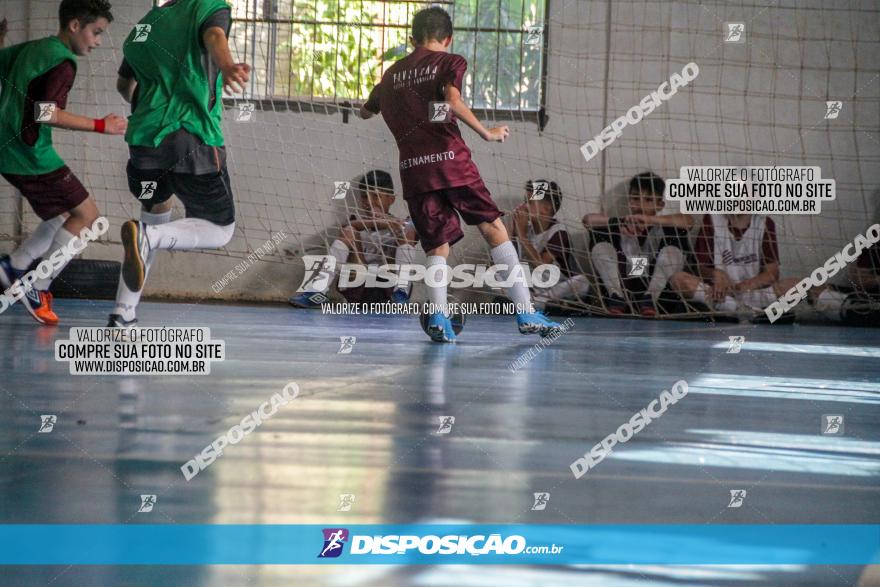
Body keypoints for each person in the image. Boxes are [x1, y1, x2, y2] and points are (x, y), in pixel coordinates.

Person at [358, 6, 562, 342]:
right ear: (448, 38)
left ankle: (438, 318)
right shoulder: (450, 62)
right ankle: (527, 313)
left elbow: (365, 112)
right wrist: (486, 132)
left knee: (436, 245)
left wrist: (385, 102)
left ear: (412, 39)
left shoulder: (391, 74)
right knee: (494, 228)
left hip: (414, 171)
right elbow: (452, 100)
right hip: (452, 162)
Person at [108, 0, 250, 327]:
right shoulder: (207, 7)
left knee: (155, 216)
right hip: (192, 137)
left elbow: (123, 85)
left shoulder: (145, 25)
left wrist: (151, 106)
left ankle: (122, 313)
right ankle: (147, 239)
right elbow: (215, 36)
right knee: (220, 229)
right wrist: (227, 67)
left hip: (144, 142)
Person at [0, 0, 126, 325]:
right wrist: (101, 125)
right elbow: (47, 113)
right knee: (89, 218)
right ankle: (38, 286)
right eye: (95, 32)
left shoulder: (34, 48)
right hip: (30, 154)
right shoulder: (63, 62)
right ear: (74, 26)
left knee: (63, 214)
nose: (97, 41)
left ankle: (13, 266)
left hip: (9, 149)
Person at [289, 170, 419, 307]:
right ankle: (318, 290)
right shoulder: (354, 221)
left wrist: (387, 220)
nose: (369, 201)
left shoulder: (401, 224)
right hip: (358, 285)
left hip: (388, 290)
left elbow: (415, 229)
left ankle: (401, 291)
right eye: (364, 197)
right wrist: (376, 222)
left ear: (391, 199)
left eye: (376, 196)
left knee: (408, 231)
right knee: (349, 230)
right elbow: (350, 226)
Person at [582, 172, 693, 317]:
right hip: (625, 291)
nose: (640, 204)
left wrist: (649, 220)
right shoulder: (621, 224)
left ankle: (650, 299)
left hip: (661, 300)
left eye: (648, 200)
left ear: (660, 205)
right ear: (629, 201)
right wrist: (621, 222)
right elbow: (588, 220)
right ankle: (616, 296)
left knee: (675, 241)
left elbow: (688, 221)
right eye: (635, 198)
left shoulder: (666, 227)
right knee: (600, 237)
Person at [511, 180, 590, 310]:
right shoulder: (526, 229)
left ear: (546, 209)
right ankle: (536, 302)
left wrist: (522, 236)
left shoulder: (559, 232)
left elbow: (542, 269)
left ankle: (536, 302)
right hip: (535, 287)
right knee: (494, 275)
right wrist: (513, 231)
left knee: (582, 281)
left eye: (529, 202)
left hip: (559, 285)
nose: (523, 206)